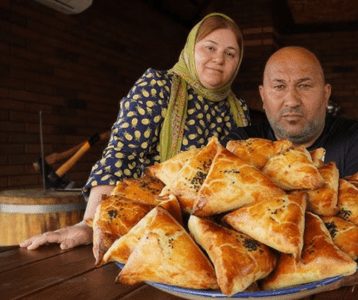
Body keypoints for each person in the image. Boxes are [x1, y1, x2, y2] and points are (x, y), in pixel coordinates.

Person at [20, 13, 249, 250]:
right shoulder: (159, 87)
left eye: (230, 53)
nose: (219, 59)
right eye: (210, 47)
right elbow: (121, 154)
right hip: (148, 230)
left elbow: (241, 177)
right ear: (191, 49)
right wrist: (90, 225)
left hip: (213, 236)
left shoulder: (237, 109)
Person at [220, 46, 358, 286]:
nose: (292, 100)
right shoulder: (240, 145)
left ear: (326, 94)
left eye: (304, 86)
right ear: (263, 96)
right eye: (279, 86)